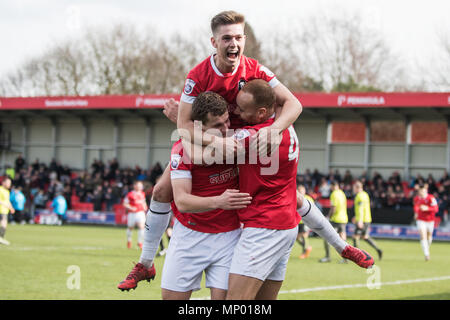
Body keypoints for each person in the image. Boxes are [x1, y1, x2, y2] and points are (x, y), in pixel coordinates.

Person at [119, 9, 303, 289]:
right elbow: (183, 126)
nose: (234, 44)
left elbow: (294, 104)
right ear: (213, 42)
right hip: (213, 140)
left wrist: (273, 130)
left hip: (245, 144)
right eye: (227, 38)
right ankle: (145, 262)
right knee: (160, 191)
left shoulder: (255, 69)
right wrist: (218, 141)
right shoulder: (198, 75)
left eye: (239, 37)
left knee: (290, 197)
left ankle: (336, 244)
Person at [226, 80, 373, 300]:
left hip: (263, 229)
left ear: (261, 113)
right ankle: (342, 247)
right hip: (285, 225)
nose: (236, 112)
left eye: (242, 109)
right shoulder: (287, 126)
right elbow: (290, 103)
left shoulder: (253, 137)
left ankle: (342, 247)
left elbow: (205, 148)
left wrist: (182, 121)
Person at [118, 92, 251, 298]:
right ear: (199, 128)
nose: (226, 129)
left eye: (227, 121)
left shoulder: (238, 139)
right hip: (190, 235)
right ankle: (146, 262)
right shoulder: (182, 149)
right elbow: (182, 202)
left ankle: (146, 262)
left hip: (230, 237)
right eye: (218, 126)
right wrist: (219, 201)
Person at [352, 180, 383, 260]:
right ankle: (378, 250)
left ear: (357, 188)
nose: (353, 190)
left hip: (363, 220)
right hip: (366, 219)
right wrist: (356, 217)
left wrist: (360, 220)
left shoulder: (360, 196)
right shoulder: (365, 194)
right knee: (364, 237)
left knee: (355, 237)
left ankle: (356, 256)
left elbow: (361, 209)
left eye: (354, 188)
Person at [320, 181, 348, 263]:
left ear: (332, 186)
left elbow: (333, 208)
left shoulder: (334, 194)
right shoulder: (342, 193)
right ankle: (345, 259)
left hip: (336, 219)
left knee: (327, 237)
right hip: (344, 219)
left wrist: (328, 217)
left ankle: (327, 257)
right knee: (343, 240)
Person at [413, 185, 438, 261]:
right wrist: (416, 212)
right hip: (421, 220)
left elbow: (436, 209)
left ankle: (426, 248)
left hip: (430, 220)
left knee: (429, 237)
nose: (421, 193)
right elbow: (416, 207)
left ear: (426, 191)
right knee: (423, 236)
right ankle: (427, 255)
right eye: (420, 191)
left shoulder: (431, 198)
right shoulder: (417, 198)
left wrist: (427, 208)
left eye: (423, 191)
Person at [122, 181, 148, 249]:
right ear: (135, 186)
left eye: (141, 186)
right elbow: (124, 203)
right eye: (139, 185)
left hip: (140, 212)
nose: (140, 187)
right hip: (132, 213)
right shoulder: (130, 194)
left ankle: (140, 242)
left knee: (142, 227)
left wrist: (145, 207)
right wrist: (131, 207)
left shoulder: (142, 193)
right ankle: (129, 240)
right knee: (131, 227)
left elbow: (143, 202)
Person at [296, 185, 313, 259]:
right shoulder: (295, 198)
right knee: (297, 238)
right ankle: (308, 248)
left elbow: (313, 210)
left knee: (304, 235)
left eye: (301, 190)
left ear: (304, 191)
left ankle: (304, 252)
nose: (300, 192)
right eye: (299, 190)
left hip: (305, 221)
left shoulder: (308, 198)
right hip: (298, 221)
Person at [0, 177, 15, 245]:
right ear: (3, 182)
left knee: (4, 224)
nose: (9, 184)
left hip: (5, 211)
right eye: (8, 183)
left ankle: (1, 238)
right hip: (1, 210)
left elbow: (7, 201)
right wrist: (6, 205)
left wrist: (11, 207)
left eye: (10, 183)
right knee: (3, 223)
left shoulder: (7, 191)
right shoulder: (0, 189)